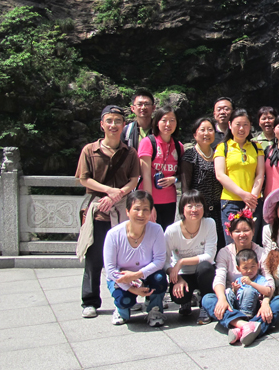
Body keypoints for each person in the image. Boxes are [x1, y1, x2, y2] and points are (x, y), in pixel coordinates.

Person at [76, 105, 140, 319]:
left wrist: (117, 194)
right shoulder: (89, 150)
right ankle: (90, 300)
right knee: (94, 257)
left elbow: (134, 180)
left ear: (124, 125)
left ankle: (126, 297)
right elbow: (84, 178)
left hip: (122, 210)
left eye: (118, 121)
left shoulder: (129, 153)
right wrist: (108, 191)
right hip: (98, 210)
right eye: (109, 121)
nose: (113, 125)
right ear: (102, 124)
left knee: (124, 257)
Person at [201, 210, 279, 345]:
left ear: (253, 231)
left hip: (257, 302)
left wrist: (266, 303)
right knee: (208, 299)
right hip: (232, 303)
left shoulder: (261, 252)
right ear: (230, 233)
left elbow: (269, 280)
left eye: (246, 230)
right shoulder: (224, 253)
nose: (242, 234)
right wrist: (222, 299)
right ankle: (247, 326)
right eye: (237, 231)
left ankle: (236, 326)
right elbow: (219, 278)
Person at [104, 190, 168, 326]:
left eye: (145, 209)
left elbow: (159, 260)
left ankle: (155, 309)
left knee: (160, 279)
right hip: (121, 277)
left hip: (145, 274)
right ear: (127, 211)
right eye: (136, 209)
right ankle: (121, 310)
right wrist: (131, 288)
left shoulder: (156, 230)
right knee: (125, 300)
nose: (141, 214)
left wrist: (137, 275)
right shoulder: (113, 235)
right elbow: (110, 269)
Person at [165, 190, 217, 325]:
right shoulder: (172, 230)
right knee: (179, 297)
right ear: (182, 209)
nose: (194, 210)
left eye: (198, 205)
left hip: (202, 272)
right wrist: (177, 278)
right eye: (190, 206)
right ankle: (186, 301)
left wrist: (182, 261)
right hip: (183, 274)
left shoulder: (209, 223)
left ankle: (205, 303)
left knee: (206, 267)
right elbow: (164, 261)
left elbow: (209, 256)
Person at [214, 108, 265, 242]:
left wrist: (252, 198)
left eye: (245, 125)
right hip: (231, 202)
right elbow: (220, 175)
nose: (241, 128)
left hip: (253, 202)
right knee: (233, 243)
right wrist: (243, 194)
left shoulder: (257, 147)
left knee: (251, 243)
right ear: (230, 125)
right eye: (238, 124)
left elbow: (260, 174)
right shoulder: (222, 147)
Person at [180, 117, 225, 250]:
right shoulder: (190, 155)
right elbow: (185, 188)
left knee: (218, 246)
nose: (206, 133)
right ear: (195, 134)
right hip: (199, 211)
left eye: (210, 130)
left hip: (218, 210)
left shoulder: (218, 153)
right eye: (202, 130)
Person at [138, 105, 183, 231]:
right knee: (148, 235)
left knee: (165, 236)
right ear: (157, 122)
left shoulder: (178, 146)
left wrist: (174, 179)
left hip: (169, 200)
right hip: (150, 199)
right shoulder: (148, 142)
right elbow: (146, 175)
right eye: (164, 120)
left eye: (172, 120)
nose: (168, 124)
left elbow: (181, 174)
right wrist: (148, 204)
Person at [228, 248, 273, 317]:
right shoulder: (239, 280)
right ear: (238, 268)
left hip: (253, 307)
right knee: (228, 292)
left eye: (252, 267)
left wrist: (251, 283)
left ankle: (245, 316)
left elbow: (268, 291)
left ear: (257, 265)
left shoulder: (260, 279)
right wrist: (235, 290)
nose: (249, 270)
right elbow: (236, 296)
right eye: (245, 268)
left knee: (248, 290)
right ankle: (230, 313)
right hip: (239, 305)